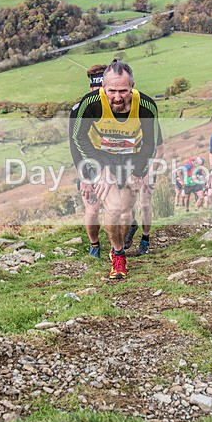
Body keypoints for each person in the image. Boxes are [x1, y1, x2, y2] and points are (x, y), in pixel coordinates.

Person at [70, 60, 159, 280]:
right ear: (103, 88)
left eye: (123, 91)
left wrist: (139, 172)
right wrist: (96, 168)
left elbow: (150, 143)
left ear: (132, 86)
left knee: (127, 210)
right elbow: (78, 137)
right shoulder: (90, 104)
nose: (117, 97)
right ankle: (118, 254)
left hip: (132, 158)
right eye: (112, 91)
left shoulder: (146, 106)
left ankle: (117, 245)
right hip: (102, 157)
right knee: (115, 208)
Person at [69, 64, 109, 258]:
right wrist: (84, 177)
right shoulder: (79, 109)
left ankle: (120, 241)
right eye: (95, 90)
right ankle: (94, 245)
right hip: (89, 166)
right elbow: (74, 145)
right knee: (92, 210)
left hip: (113, 163)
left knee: (118, 207)